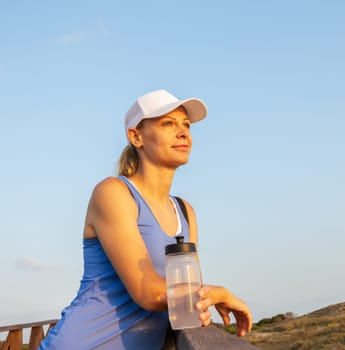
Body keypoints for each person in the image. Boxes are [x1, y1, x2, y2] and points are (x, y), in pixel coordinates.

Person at [39, 89, 252, 349]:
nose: (184, 132)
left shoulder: (185, 212)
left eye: (186, 125)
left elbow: (186, 296)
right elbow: (151, 293)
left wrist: (199, 305)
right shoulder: (113, 193)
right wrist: (220, 294)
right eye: (168, 124)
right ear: (136, 136)